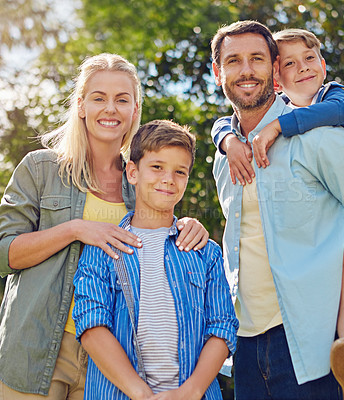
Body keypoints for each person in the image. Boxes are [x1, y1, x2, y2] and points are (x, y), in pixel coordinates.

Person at [0, 54, 209, 399]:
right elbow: (4, 253)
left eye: (122, 100)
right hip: (36, 351)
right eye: (99, 98)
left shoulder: (139, 179)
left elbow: (160, 236)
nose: (110, 109)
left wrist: (188, 225)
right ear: (81, 105)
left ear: (134, 109)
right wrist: (75, 229)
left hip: (112, 359)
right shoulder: (40, 169)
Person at [210, 20, 344, 400]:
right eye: (233, 61)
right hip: (244, 348)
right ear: (218, 73)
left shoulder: (320, 137)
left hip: (311, 345)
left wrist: (336, 283)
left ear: (274, 69)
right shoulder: (224, 158)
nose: (246, 70)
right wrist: (226, 139)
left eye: (257, 59)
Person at [72, 119, 238, 400]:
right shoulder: (103, 248)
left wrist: (191, 391)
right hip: (120, 394)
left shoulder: (205, 252)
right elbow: (91, 325)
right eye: (157, 167)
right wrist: (142, 395)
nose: (168, 179)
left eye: (180, 171)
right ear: (133, 172)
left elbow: (222, 327)